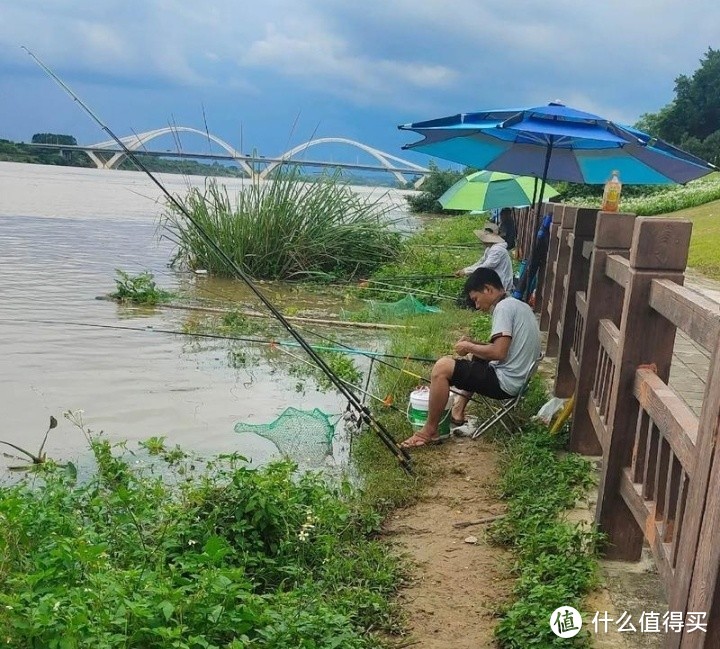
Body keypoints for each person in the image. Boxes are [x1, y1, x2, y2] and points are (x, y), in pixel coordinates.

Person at [400, 267, 541, 448]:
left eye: (476, 299)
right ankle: (457, 411)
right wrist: (473, 344)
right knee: (478, 354)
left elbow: (499, 353)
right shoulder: (518, 304)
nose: (476, 305)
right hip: (519, 380)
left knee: (442, 367)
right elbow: (502, 348)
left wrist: (467, 346)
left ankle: (429, 431)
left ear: (488, 289)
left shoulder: (503, 308)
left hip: (505, 383)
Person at [455, 224, 514, 294]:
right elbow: (480, 262)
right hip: (495, 281)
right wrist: (465, 270)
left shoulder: (497, 249)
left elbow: (486, 266)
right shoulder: (490, 248)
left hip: (502, 284)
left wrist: (466, 271)